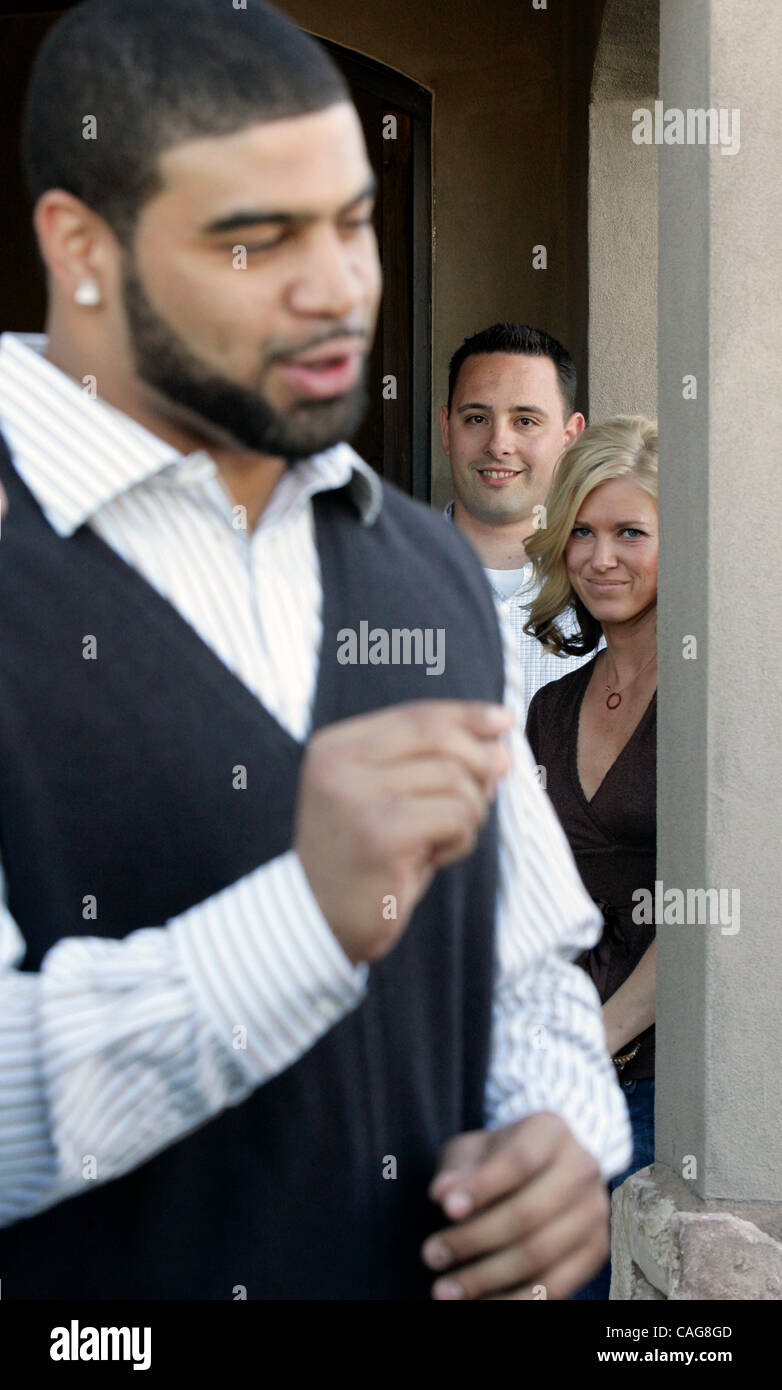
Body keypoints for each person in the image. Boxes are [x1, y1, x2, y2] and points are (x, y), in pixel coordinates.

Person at [0, 0, 630, 1300]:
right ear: (81, 247)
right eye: (255, 237)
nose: (339, 282)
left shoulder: (424, 567)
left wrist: (563, 1129)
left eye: (349, 221)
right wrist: (301, 921)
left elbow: (526, 968)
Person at [524, 416, 658, 1299]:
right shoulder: (551, 707)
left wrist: (600, 1043)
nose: (601, 556)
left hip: (664, 1077)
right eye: (582, 530)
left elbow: (721, 908)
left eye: (631, 533)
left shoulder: (721, 695)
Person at [440, 322, 602, 714]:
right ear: (446, 430)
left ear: (569, 436)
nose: (498, 445)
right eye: (477, 418)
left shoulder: (611, 592)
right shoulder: (372, 586)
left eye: (525, 421)